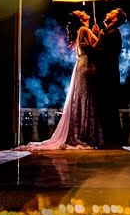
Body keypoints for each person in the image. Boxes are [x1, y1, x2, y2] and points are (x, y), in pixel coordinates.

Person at [17, 11, 104, 150]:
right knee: (85, 98)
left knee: (83, 98)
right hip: (86, 65)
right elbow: (89, 48)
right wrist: (99, 36)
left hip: (83, 65)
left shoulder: (83, 30)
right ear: (81, 18)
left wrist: (94, 33)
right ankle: (83, 134)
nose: (84, 11)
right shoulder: (84, 29)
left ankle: (83, 132)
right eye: (81, 12)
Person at [86, 8, 127, 149]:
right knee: (107, 110)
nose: (108, 13)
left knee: (108, 110)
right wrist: (98, 35)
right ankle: (112, 141)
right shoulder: (109, 32)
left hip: (107, 77)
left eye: (112, 12)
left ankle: (112, 142)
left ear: (115, 19)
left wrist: (88, 49)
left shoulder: (113, 33)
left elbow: (103, 54)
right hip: (108, 76)